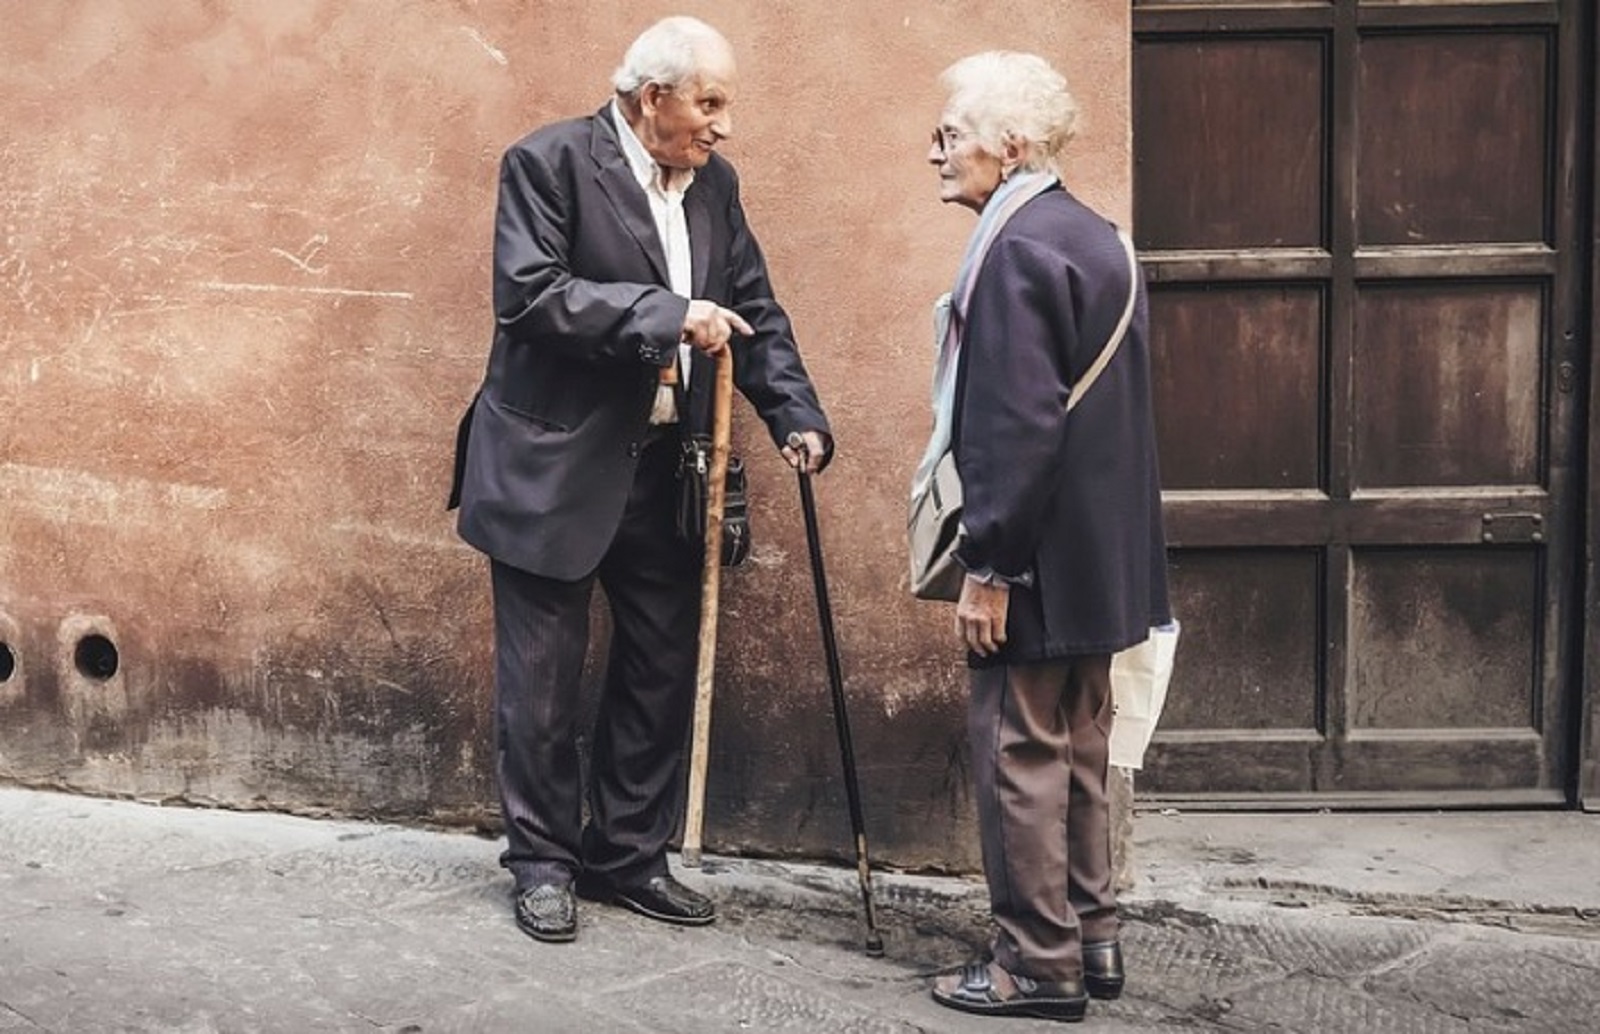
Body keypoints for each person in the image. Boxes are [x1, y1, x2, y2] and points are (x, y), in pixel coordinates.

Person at [448, 15, 833, 945]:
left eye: (724, 104)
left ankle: (627, 854)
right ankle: (542, 863)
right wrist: (667, 314)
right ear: (651, 96)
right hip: (551, 466)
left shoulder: (716, 186)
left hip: (667, 469)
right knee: (539, 685)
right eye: (709, 102)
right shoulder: (547, 163)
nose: (723, 124)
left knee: (659, 672)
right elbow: (532, 296)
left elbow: (753, 307)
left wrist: (796, 415)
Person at [913, 52, 1170, 1022]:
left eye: (950, 133)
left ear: (1009, 145)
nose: (934, 149)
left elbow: (1015, 426)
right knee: (1080, 748)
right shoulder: (1099, 236)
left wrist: (990, 566)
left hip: (1038, 563)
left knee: (1020, 753)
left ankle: (1034, 964)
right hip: (1100, 560)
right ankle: (1092, 936)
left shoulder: (1014, 247)